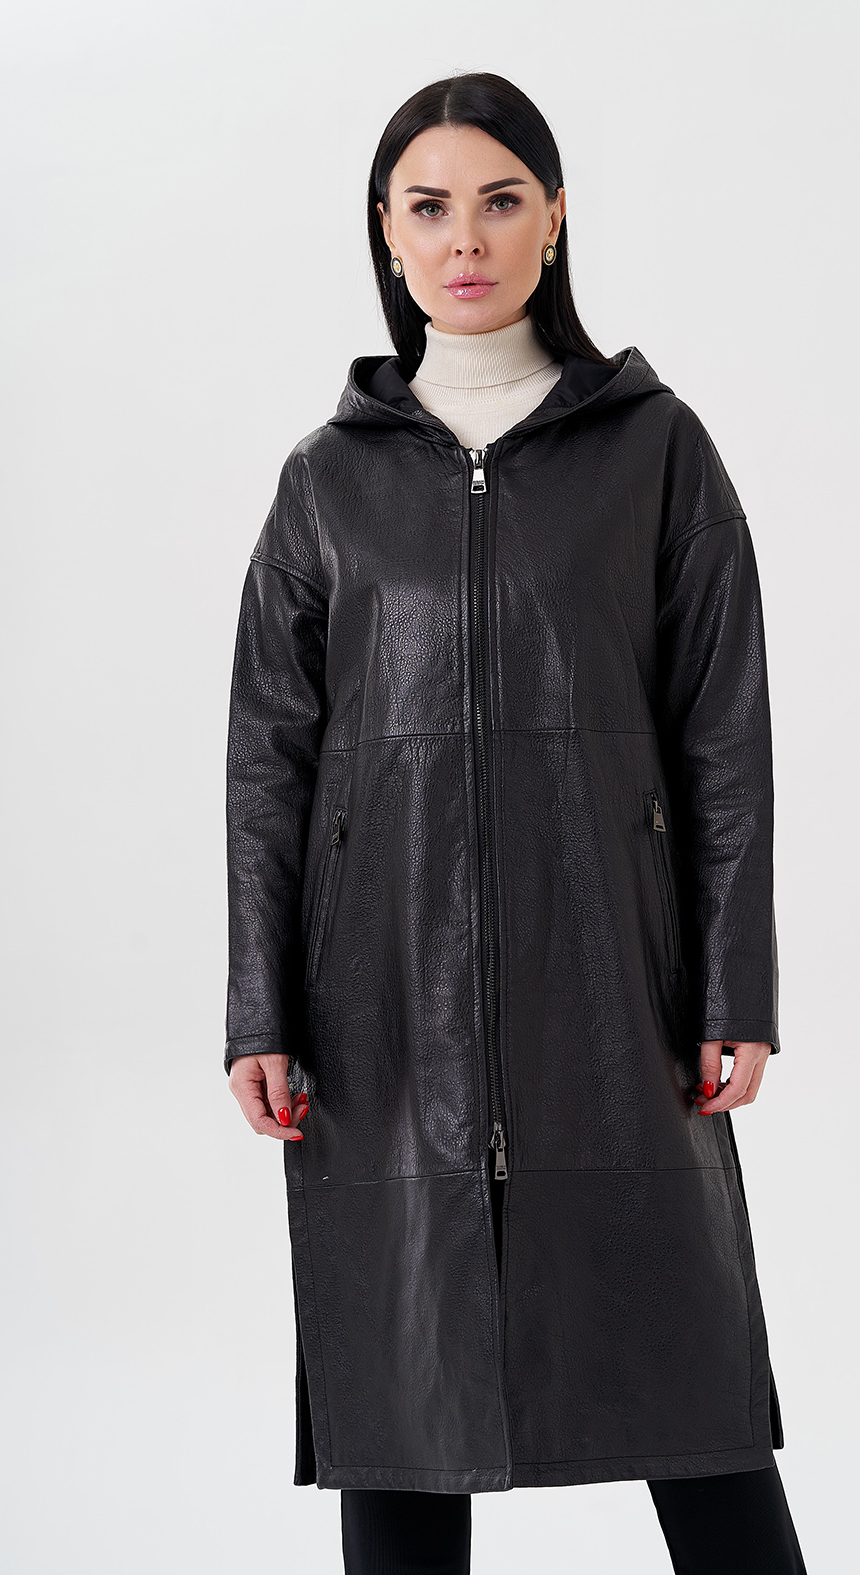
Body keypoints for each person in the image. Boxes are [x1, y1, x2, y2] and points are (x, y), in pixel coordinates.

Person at [224, 71, 807, 1575]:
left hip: (613, 998)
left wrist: (733, 984)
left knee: (695, 1404)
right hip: (383, 1017)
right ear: (387, 232)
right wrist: (260, 1009)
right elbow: (270, 762)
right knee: (401, 1407)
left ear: (554, 220)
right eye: (429, 208)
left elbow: (721, 732)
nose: (464, 239)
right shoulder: (327, 482)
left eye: (498, 201)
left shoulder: (653, 450)